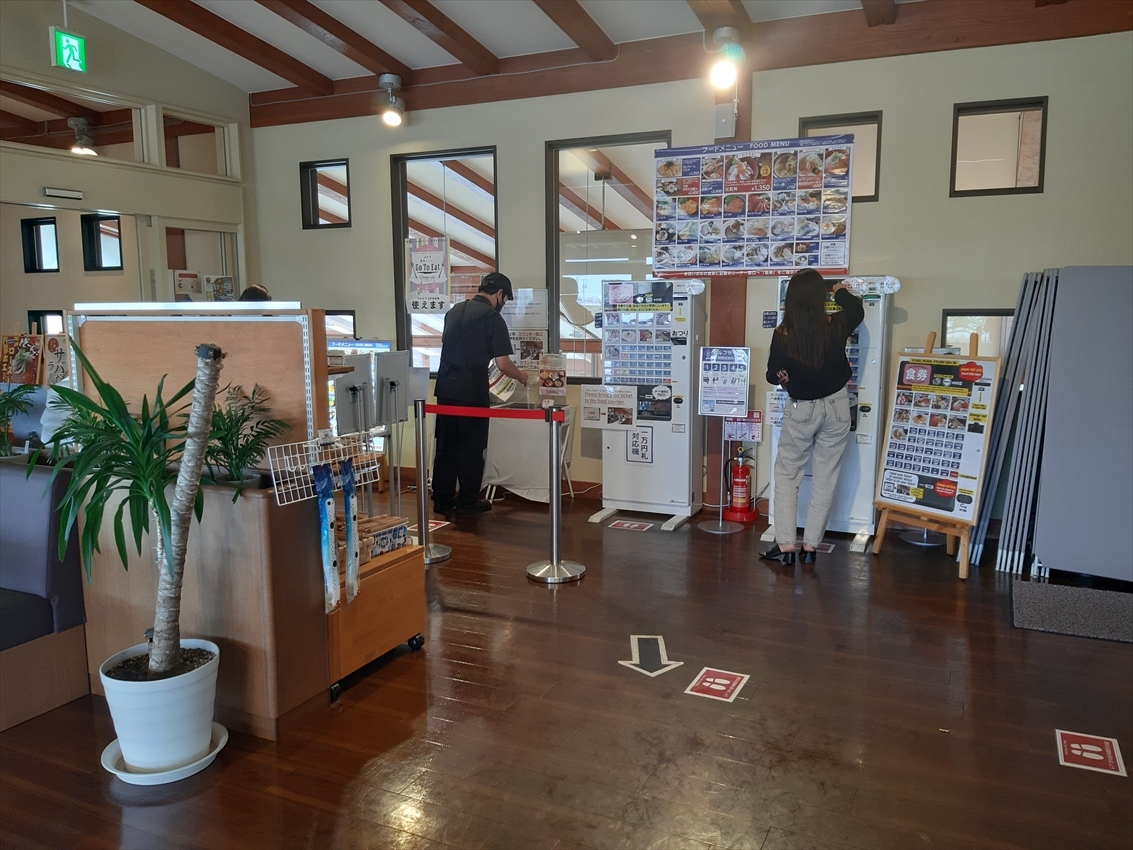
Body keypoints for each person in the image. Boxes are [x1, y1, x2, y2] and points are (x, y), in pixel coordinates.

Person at [762, 269, 864, 565]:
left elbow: (772, 375)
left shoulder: (783, 334)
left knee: (787, 476)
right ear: (822, 297)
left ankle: (786, 545)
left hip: (802, 409)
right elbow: (857, 309)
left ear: (791, 298)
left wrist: (786, 378)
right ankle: (811, 547)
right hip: (838, 406)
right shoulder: (835, 325)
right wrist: (840, 289)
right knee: (825, 476)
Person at [432, 272, 529, 515]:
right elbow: (503, 364)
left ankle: (442, 500)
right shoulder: (492, 318)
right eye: (505, 299)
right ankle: (467, 500)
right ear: (500, 294)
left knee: (445, 445)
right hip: (471, 390)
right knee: (471, 447)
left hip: (444, 388)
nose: (503, 303)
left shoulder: (454, 311)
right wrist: (522, 376)